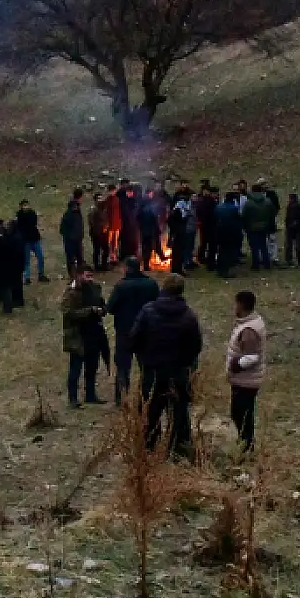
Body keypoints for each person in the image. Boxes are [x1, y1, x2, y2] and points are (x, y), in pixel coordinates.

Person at [127, 274, 202, 459]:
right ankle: (179, 451)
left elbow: (134, 339)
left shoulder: (148, 311)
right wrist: (185, 363)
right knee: (179, 414)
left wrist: (144, 357)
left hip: (152, 372)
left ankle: (147, 451)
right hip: (177, 373)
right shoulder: (188, 315)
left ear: (164, 288)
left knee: (148, 414)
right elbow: (196, 346)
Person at [105, 256, 159, 404]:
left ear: (127, 268)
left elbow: (110, 308)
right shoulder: (151, 284)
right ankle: (146, 396)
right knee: (147, 367)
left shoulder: (121, 286)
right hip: (146, 331)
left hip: (125, 331)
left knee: (123, 366)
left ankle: (121, 398)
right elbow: (158, 304)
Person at [61, 267, 108, 408]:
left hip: (94, 333)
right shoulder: (71, 292)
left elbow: (102, 304)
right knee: (75, 368)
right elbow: (68, 313)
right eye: (87, 276)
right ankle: (73, 398)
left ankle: (90, 395)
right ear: (79, 275)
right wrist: (90, 311)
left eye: (91, 276)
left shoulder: (95, 288)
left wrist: (102, 310)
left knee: (92, 366)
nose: (90, 279)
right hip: (78, 334)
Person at [225, 290, 266, 451]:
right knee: (243, 415)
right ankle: (246, 445)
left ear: (241, 305)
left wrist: (235, 365)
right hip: (246, 380)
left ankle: (246, 447)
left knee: (241, 415)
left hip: (245, 381)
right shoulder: (251, 323)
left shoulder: (248, 330)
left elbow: (252, 357)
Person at [242, 182, 275, 272]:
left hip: (252, 227)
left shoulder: (248, 203)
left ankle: (255, 264)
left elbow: (244, 216)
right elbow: (272, 214)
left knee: (254, 247)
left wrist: (245, 227)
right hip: (264, 226)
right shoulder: (268, 201)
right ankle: (266, 263)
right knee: (263, 245)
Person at [15, 200, 47, 284]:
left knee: (40, 257)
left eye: (27, 205)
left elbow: (33, 223)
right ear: (21, 206)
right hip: (26, 241)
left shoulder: (32, 214)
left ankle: (41, 274)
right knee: (27, 260)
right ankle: (27, 277)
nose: (26, 207)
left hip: (34, 239)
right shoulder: (19, 215)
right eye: (24, 205)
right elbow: (21, 226)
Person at [213, 191, 244, 277]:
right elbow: (237, 222)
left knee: (221, 250)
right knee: (229, 252)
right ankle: (226, 271)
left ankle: (220, 269)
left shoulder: (218, 207)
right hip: (231, 233)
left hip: (220, 232)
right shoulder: (234, 208)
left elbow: (215, 219)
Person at [60, 194, 86, 278]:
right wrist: (70, 237)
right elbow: (62, 230)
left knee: (80, 258)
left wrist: (81, 235)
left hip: (78, 240)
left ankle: (80, 273)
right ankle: (72, 274)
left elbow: (80, 226)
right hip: (70, 241)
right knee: (70, 259)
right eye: (74, 206)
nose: (76, 208)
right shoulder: (67, 216)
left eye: (77, 206)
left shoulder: (79, 214)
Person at [170, 190, 195, 273]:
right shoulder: (177, 211)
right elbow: (173, 222)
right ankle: (176, 269)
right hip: (178, 234)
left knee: (180, 252)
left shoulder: (179, 210)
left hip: (180, 233)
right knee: (177, 253)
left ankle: (178, 268)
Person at [195, 182, 218, 272]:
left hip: (204, 226)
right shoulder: (211, 202)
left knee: (204, 243)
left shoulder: (202, 200)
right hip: (210, 226)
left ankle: (201, 258)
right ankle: (210, 264)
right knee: (212, 246)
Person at [87, 193, 111, 273]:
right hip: (96, 233)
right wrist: (101, 227)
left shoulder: (104, 209)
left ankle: (104, 264)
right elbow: (92, 222)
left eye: (101, 198)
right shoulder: (93, 210)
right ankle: (97, 266)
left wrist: (106, 226)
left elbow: (106, 219)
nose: (100, 200)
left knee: (106, 249)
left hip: (104, 233)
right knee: (97, 250)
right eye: (98, 199)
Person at [283, 194, 300, 268]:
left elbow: (289, 218)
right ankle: (299, 261)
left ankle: (289, 260)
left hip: (292, 228)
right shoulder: (299, 206)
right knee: (298, 246)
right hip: (298, 228)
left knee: (289, 245)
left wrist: (288, 225)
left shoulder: (291, 207)